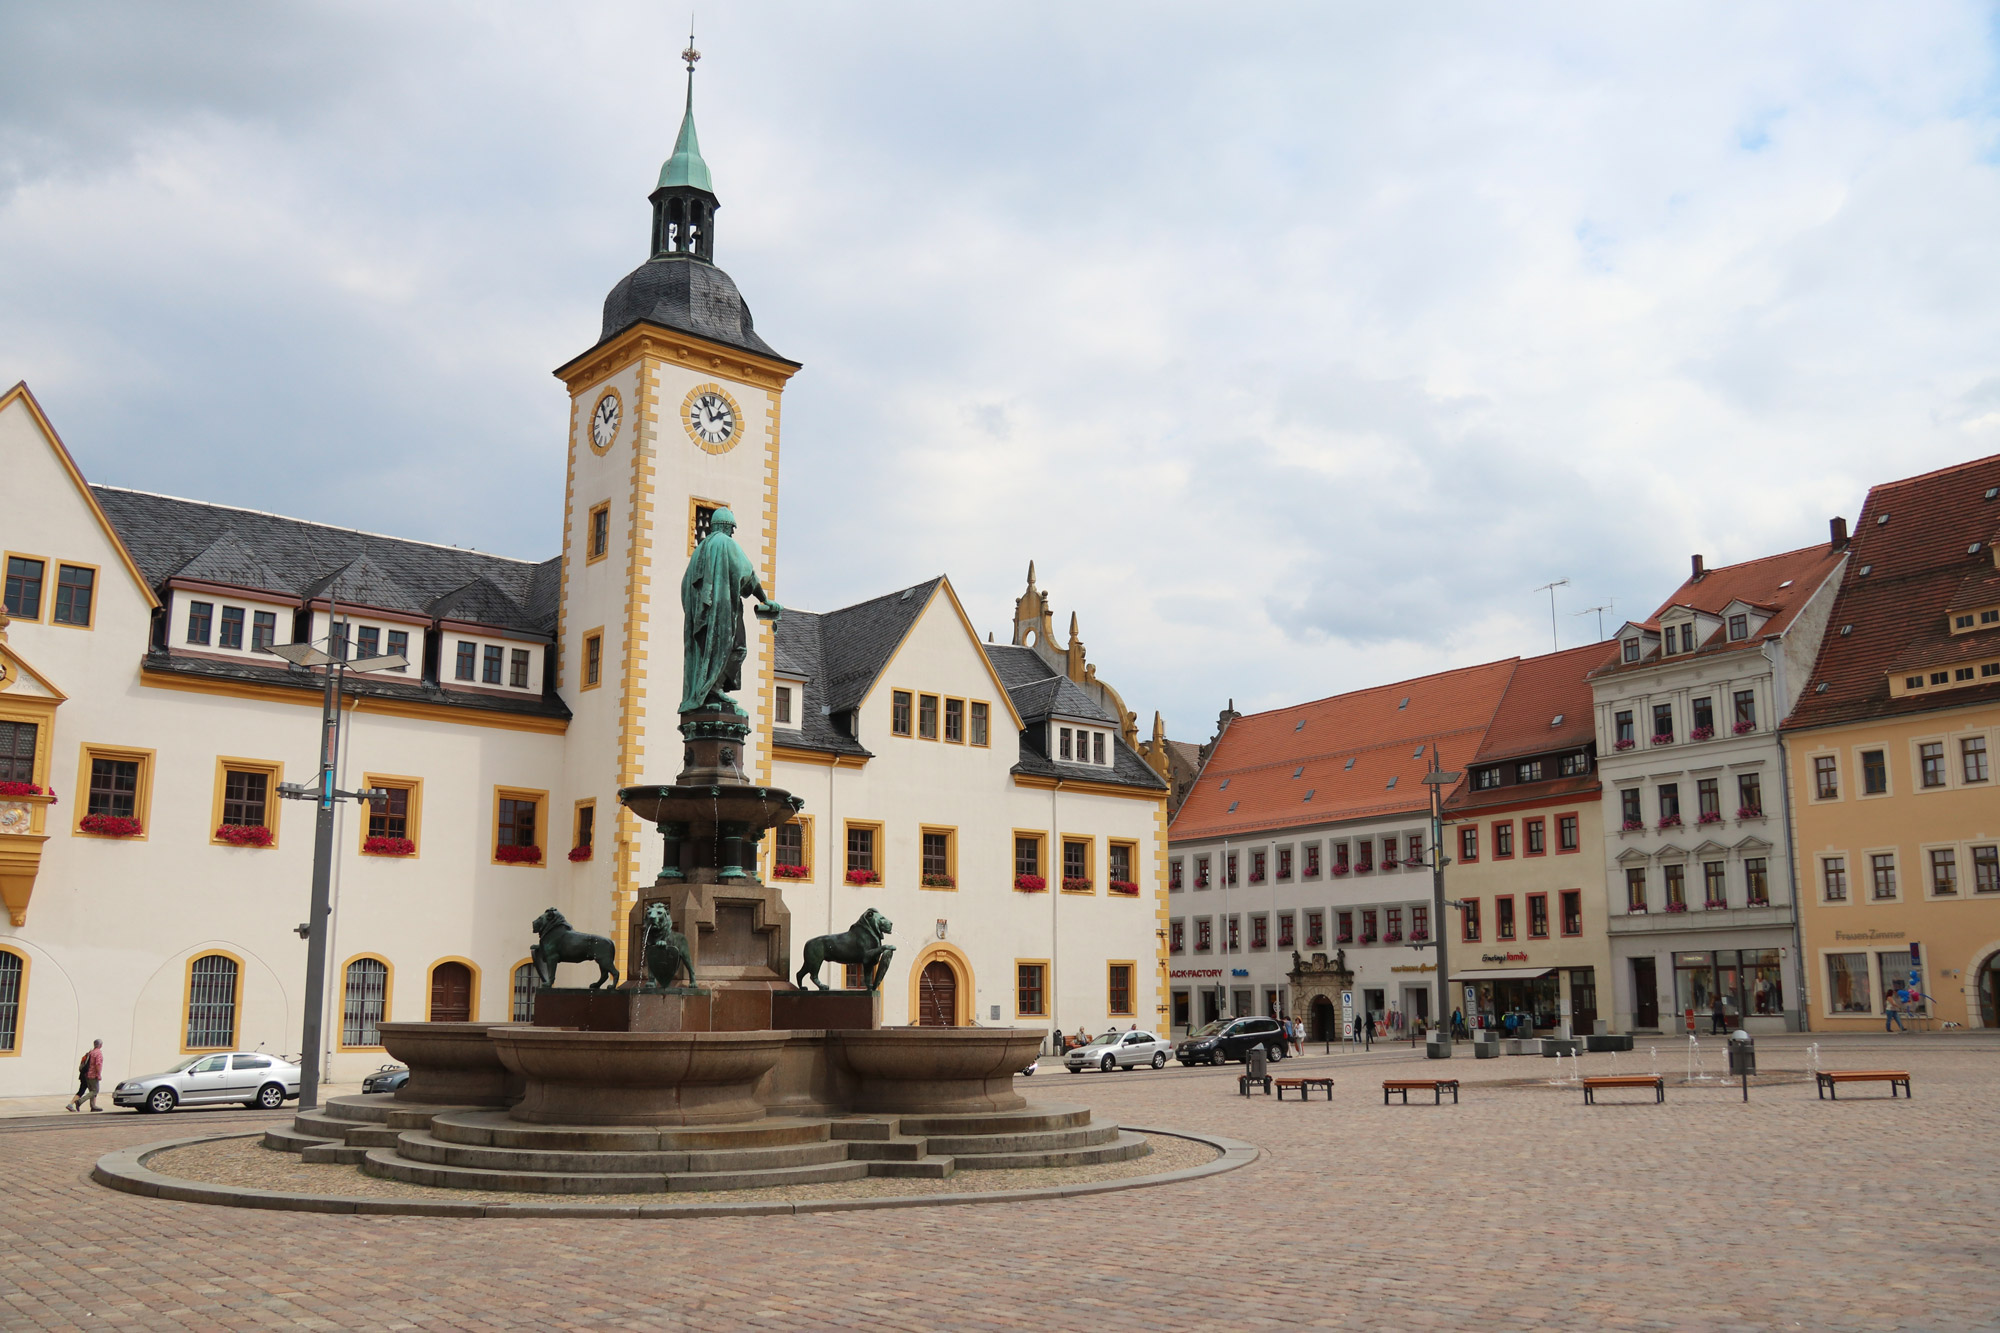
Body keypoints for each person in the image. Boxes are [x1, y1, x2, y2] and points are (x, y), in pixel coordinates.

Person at [66, 1039, 105, 1113]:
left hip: (86, 1074)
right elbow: (98, 1064)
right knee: (94, 1091)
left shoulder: (91, 1052)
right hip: (93, 1075)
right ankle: (79, 1102)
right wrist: (98, 1074)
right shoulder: (98, 1053)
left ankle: (93, 1106)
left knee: (90, 1090)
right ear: (100, 1045)